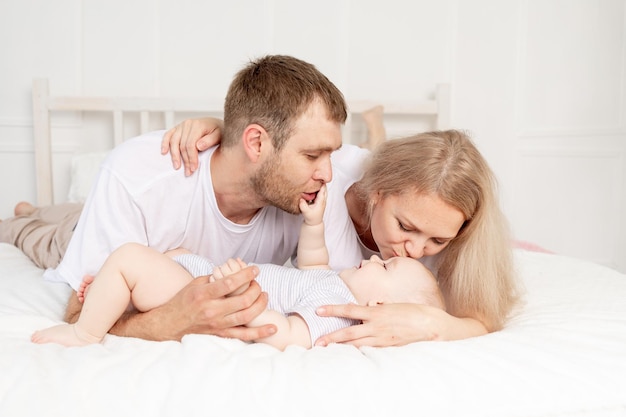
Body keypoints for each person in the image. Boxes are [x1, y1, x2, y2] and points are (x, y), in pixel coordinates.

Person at [26, 54, 363, 343]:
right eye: (312, 155)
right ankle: (25, 216)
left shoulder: (314, 194)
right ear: (256, 143)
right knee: (40, 233)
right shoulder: (137, 178)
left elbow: (351, 295)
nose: (327, 173)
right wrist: (174, 320)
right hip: (69, 232)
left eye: (330, 154)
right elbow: (79, 314)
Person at [163, 123, 520, 346]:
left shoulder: (460, 236)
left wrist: (429, 323)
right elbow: (265, 144)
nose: (415, 250)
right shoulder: (326, 175)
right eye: (405, 227)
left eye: (437, 241)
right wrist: (218, 130)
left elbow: (482, 321)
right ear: (377, 192)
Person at [31, 184, 445, 350]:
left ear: (375, 304)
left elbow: (284, 333)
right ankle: (113, 296)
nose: (377, 258)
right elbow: (312, 264)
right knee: (162, 256)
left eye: (386, 269)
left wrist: (238, 295)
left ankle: (84, 331)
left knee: (127, 258)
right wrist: (314, 222)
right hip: (203, 273)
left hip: (213, 289)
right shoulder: (333, 285)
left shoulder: (336, 317)